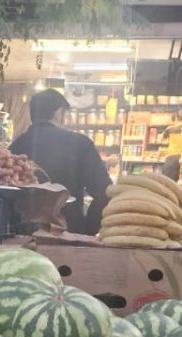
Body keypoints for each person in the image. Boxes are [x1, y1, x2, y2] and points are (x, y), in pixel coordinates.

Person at [9, 89, 113, 234]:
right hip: (68, 234)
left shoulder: (16, 146)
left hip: (22, 233)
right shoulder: (80, 144)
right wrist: (87, 229)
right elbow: (105, 193)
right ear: (59, 113)